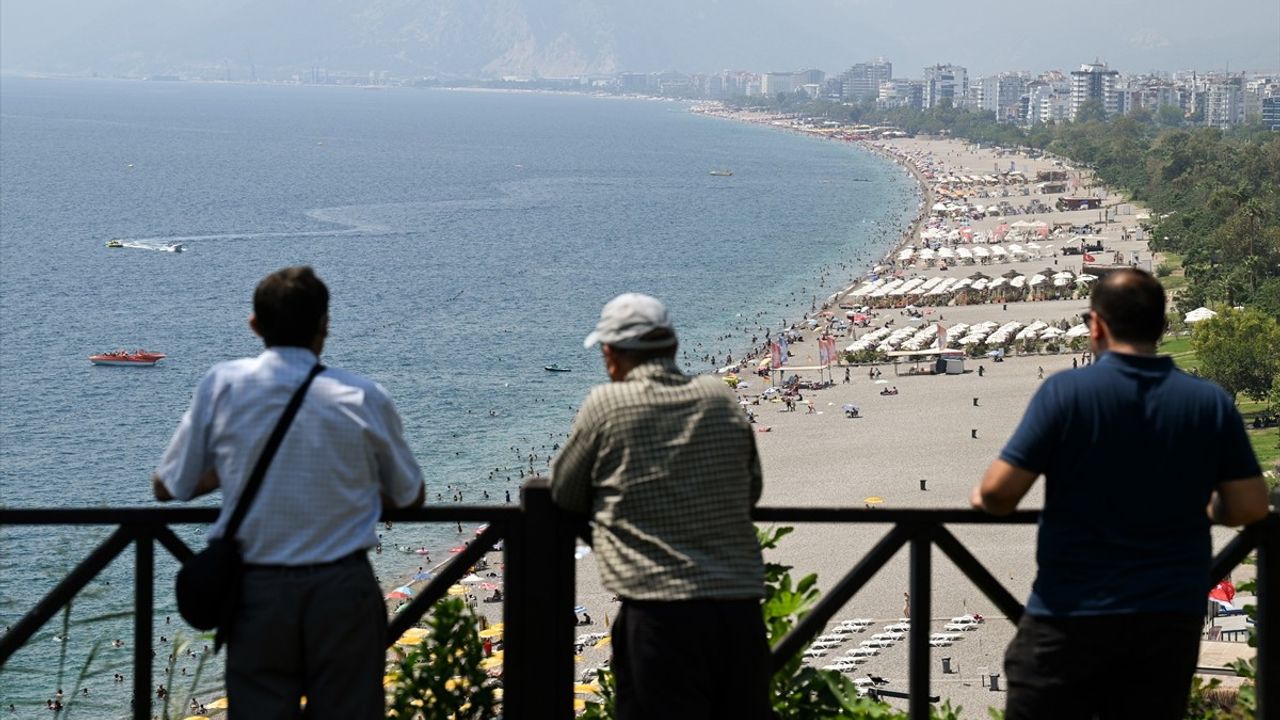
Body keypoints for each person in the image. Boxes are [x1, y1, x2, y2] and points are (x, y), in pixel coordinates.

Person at [971, 269, 1269, 720]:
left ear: (1096, 325)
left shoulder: (1066, 393)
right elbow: (1248, 506)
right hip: (1167, 619)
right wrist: (1206, 505)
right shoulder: (1208, 402)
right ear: (1163, 327)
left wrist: (980, 499)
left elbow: (998, 494)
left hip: (1071, 611)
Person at [153, 266, 425, 720]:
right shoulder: (362, 396)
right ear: (325, 324)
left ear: (255, 325)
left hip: (256, 592)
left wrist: (234, 468)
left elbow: (168, 485)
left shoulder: (222, 386)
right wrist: (344, 487)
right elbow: (410, 495)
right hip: (342, 589)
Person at [551, 293, 771, 720]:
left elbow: (564, 492)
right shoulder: (719, 397)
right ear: (672, 347)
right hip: (737, 605)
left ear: (611, 354)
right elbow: (751, 488)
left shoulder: (606, 404)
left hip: (659, 611)